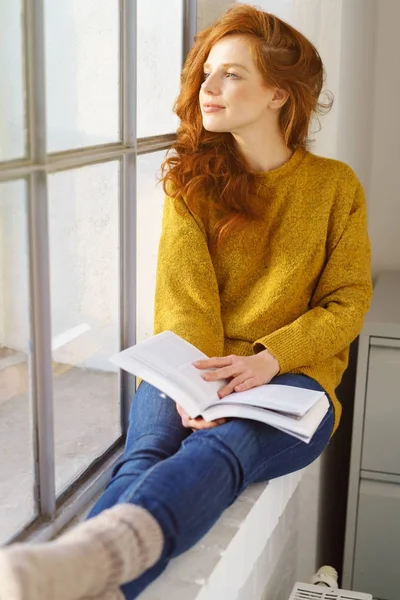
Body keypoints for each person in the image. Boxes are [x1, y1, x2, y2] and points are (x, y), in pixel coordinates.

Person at [0, 4, 372, 600]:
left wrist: (267, 360)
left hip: (296, 385)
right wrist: (199, 387)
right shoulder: (191, 185)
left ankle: (78, 571)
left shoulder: (334, 187)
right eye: (205, 73)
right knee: (144, 453)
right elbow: (183, 305)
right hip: (190, 369)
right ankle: (93, 580)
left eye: (231, 74)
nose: (208, 86)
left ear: (279, 94)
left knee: (227, 445)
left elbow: (347, 302)